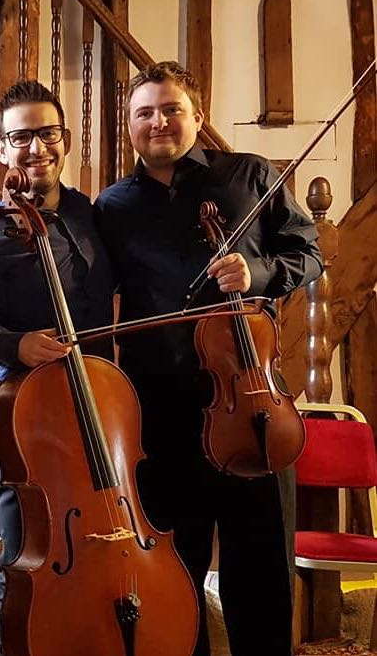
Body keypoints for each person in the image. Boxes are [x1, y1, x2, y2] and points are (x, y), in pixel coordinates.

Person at [94, 61, 323, 656]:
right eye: (144, 112)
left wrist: (261, 271)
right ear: (129, 124)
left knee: (261, 561)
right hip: (162, 412)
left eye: (171, 109)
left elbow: (309, 254)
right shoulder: (113, 206)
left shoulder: (249, 177)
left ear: (198, 116)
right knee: (176, 562)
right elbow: (92, 294)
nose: (158, 121)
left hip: (250, 402)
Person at [0, 80, 115, 654]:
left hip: (99, 402)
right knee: (27, 553)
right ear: (3, 147)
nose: (36, 148)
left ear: (66, 140)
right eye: (21, 136)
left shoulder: (88, 213)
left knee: (101, 540)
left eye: (47, 133)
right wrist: (17, 343)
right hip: (28, 412)